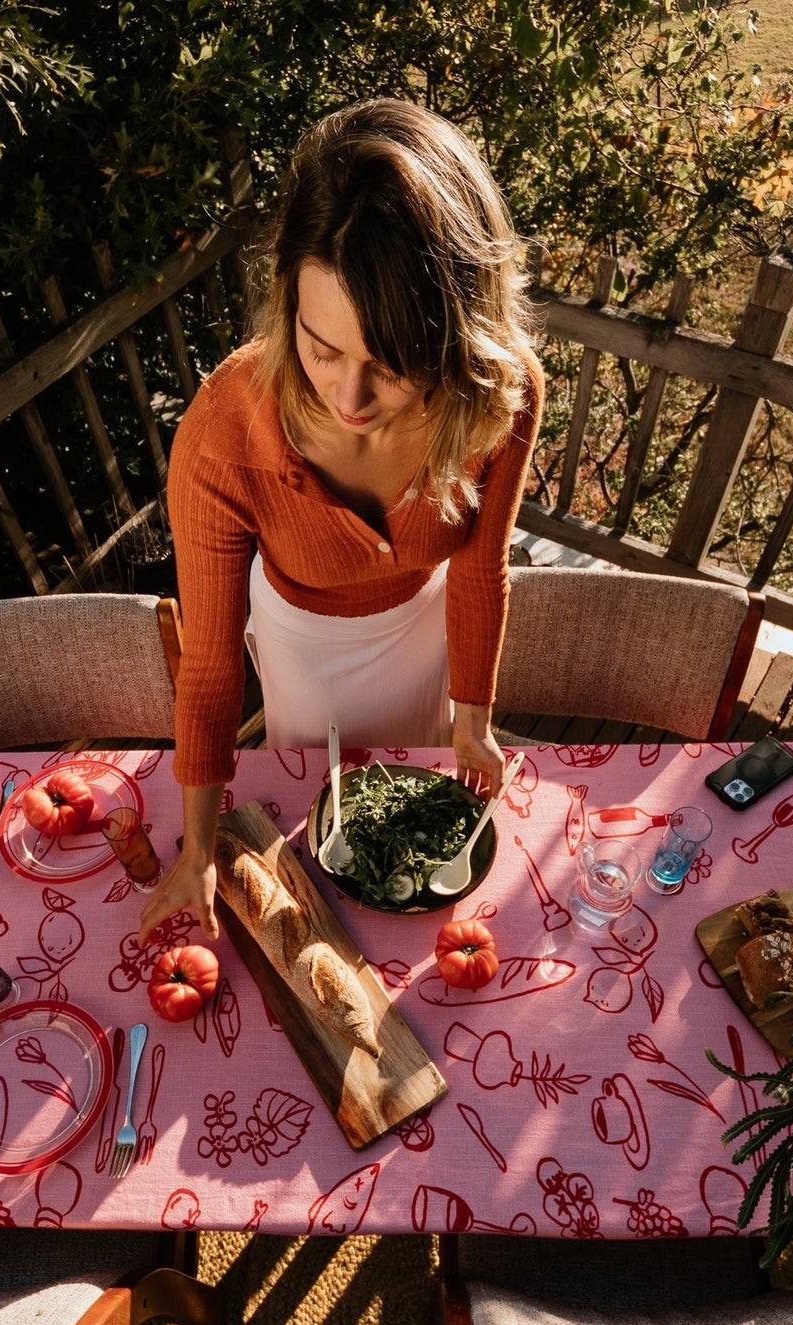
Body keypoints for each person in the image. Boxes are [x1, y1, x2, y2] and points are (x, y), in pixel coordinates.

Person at [138, 96, 544, 945]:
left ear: (457, 343)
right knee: (312, 810)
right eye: (322, 350)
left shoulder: (499, 398)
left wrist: (473, 722)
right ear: (287, 298)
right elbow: (211, 662)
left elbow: (476, 568)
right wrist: (199, 846)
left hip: (427, 630)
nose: (350, 399)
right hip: (306, 648)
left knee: (414, 812)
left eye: (393, 367)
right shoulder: (222, 433)